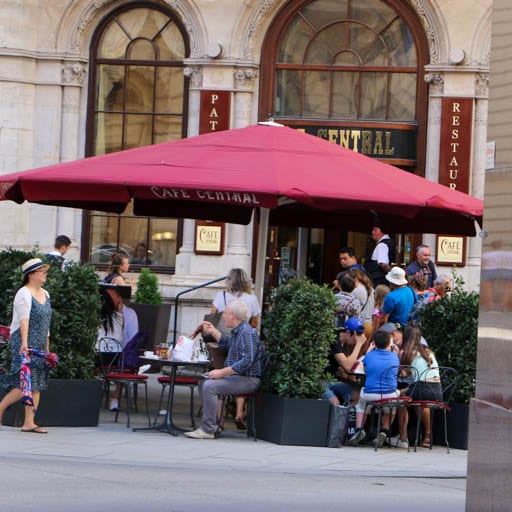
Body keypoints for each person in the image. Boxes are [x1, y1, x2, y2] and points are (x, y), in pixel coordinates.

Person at [185, 299, 265, 440]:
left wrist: (221, 372)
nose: (223, 316)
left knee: (210, 386)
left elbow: (247, 361)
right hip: (240, 377)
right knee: (204, 381)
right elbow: (227, 343)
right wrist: (212, 330)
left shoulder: (247, 333)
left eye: (226, 313)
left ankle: (207, 429)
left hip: (249, 379)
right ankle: (214, 424)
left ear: (233, 315)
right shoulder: (238, 331)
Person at [0, 258, 52, 433]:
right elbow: (24, 320)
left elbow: (47, 323)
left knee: (36, 382)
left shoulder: (45, 294)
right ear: (31, 275)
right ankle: (3, 410)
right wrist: (24, 343)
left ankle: (30, 422)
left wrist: (47, 346)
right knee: (26, 382)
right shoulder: (24, 293)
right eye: (41, 271)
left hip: (39, 343)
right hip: (24, 341)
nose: (45, 274)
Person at [206, 268, 261, 429]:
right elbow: (255, 321)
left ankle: (218, 420)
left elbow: (212, 314)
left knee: (220, 376)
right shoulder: (251, 298)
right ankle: (238, 413)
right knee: (232, 374)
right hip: (232, 341)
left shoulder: (221, 296)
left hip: (223, 345)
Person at [391, 325, 442, 449]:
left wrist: (396, 352)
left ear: (406, 337)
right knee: (417, 403)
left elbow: (398, 373)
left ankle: (403, 439)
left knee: (401, 398)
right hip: (437, 390)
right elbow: (418, 369)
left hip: (422, 388)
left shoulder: (405, 352)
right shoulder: (428, 351)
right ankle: (428, 435)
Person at [347, 328, 400, 447]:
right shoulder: (395, 357)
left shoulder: (369, 356)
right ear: (389, 343)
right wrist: (396, 352)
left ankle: (359, 429)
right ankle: (384, 430)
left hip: (370, 394)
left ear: (374, 343)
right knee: (392, 405)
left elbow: (363, 369)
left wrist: (368, 352)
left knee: (361, 404)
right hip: (389, 394)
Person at [97, 284, 139, 411]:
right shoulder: (104, 315)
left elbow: (131, 338)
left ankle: (114, 398)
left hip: (115, 354)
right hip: (107, 354)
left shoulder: (125, 314)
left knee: (122, 363)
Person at [323, 317, 368, 406]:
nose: (356, 342)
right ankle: (339, 416)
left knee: (358, 394)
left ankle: (346, 415)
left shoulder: (346, 343)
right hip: (322, 380)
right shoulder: (334, 341)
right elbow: (347, 366)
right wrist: (359, 345)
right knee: (335, 402)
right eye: (355, 338)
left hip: (333, 379)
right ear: (347, 332)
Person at [348, 268, 374, 336]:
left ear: (355, 278)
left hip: (359, 324)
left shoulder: (356, 291)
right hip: (370, 324)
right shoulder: (371, 289)